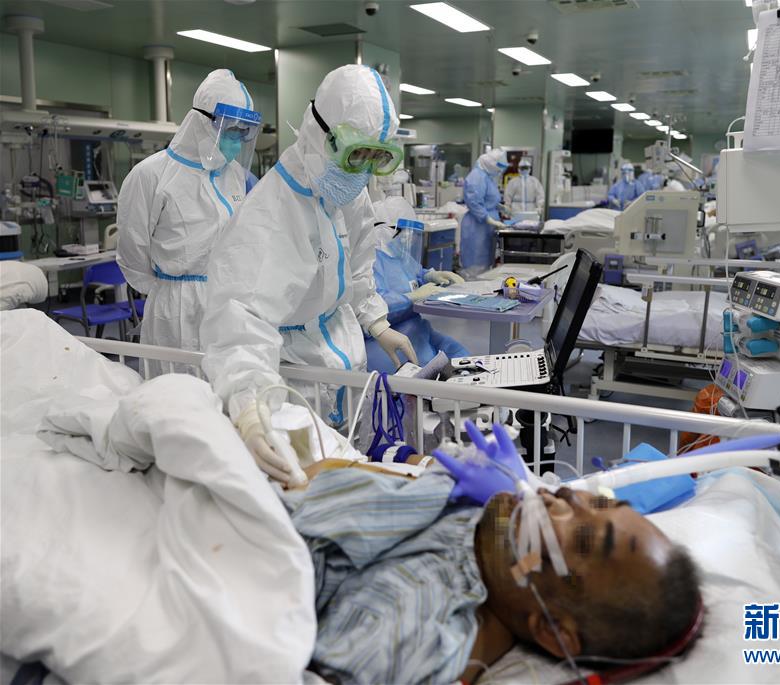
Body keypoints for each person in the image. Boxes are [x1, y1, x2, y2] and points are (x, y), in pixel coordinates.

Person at [287, 422, 703, 684]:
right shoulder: (494, 542)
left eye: (584, 538)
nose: (566, 495)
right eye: (600, 502)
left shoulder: (411, 615)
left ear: (551, 629)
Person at [200, 65, 417, 482]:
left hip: (342, 363)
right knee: (306, 484)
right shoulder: (269, 213)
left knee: (350, 473)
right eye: (357, 155)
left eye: (376, 158)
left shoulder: (347, 193)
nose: (363, 172)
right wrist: (251, 406)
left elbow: (358, 268)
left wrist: (376, 321)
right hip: (289, 382)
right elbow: (240, 322)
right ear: (322, 134)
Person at [117, 69, 260, 376]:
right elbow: (132, 251)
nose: (237, 142)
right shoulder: (151, 175)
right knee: (178, 392)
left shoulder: (234, 174)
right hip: (176, 307)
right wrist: (169, 290)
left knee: (226, 389)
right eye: (231, 131)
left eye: (243, 133)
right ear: (202, 122)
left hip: (228, 301)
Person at [366, 195, 469, 372]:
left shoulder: (399, 256)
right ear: (384, 230)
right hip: (388, 337)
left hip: (418, 328)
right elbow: (373, 304)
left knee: (461, 355)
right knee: (432, 371)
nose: (409, 237)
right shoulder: (372, 263)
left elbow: (415, 273)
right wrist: (411, 297)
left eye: (410, 232)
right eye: (404, 231)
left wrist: (430, 275)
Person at [460, 148, 507, 277]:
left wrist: (499, 207)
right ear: (491, 164)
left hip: (486, 226)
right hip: (477, 225)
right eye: (499, 167)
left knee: (486, 265)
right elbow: (474, 202)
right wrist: (488, 218)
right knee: (476, 266)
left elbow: (488, 198)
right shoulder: (476, 176)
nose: (500, 171)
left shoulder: (487, 177)